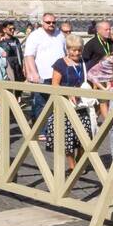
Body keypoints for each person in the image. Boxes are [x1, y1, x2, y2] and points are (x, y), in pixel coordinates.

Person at [47, 34, 92, 171]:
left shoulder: (84, 63)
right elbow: (54, 85)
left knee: (86, 136)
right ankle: (73, 165)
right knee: (68, 138)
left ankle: (80, 160)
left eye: (79, 50)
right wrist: (68, 92)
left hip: (82, 104)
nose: (76, 53)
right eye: (73, 50)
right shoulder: (60, 63)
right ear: (67, 49)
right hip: (65, 105)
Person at [23, 13, 67, 125]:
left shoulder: (60, 34)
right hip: (43, 75)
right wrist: (33, 73)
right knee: (41, 103)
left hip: (59, 75)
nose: (51, 24)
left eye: (53, 22)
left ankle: (55, 127)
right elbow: (29, 56)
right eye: (48, 22)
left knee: (58, 103)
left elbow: (65, 53)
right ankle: (41, 129)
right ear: (42, 22)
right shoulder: (35, 35)